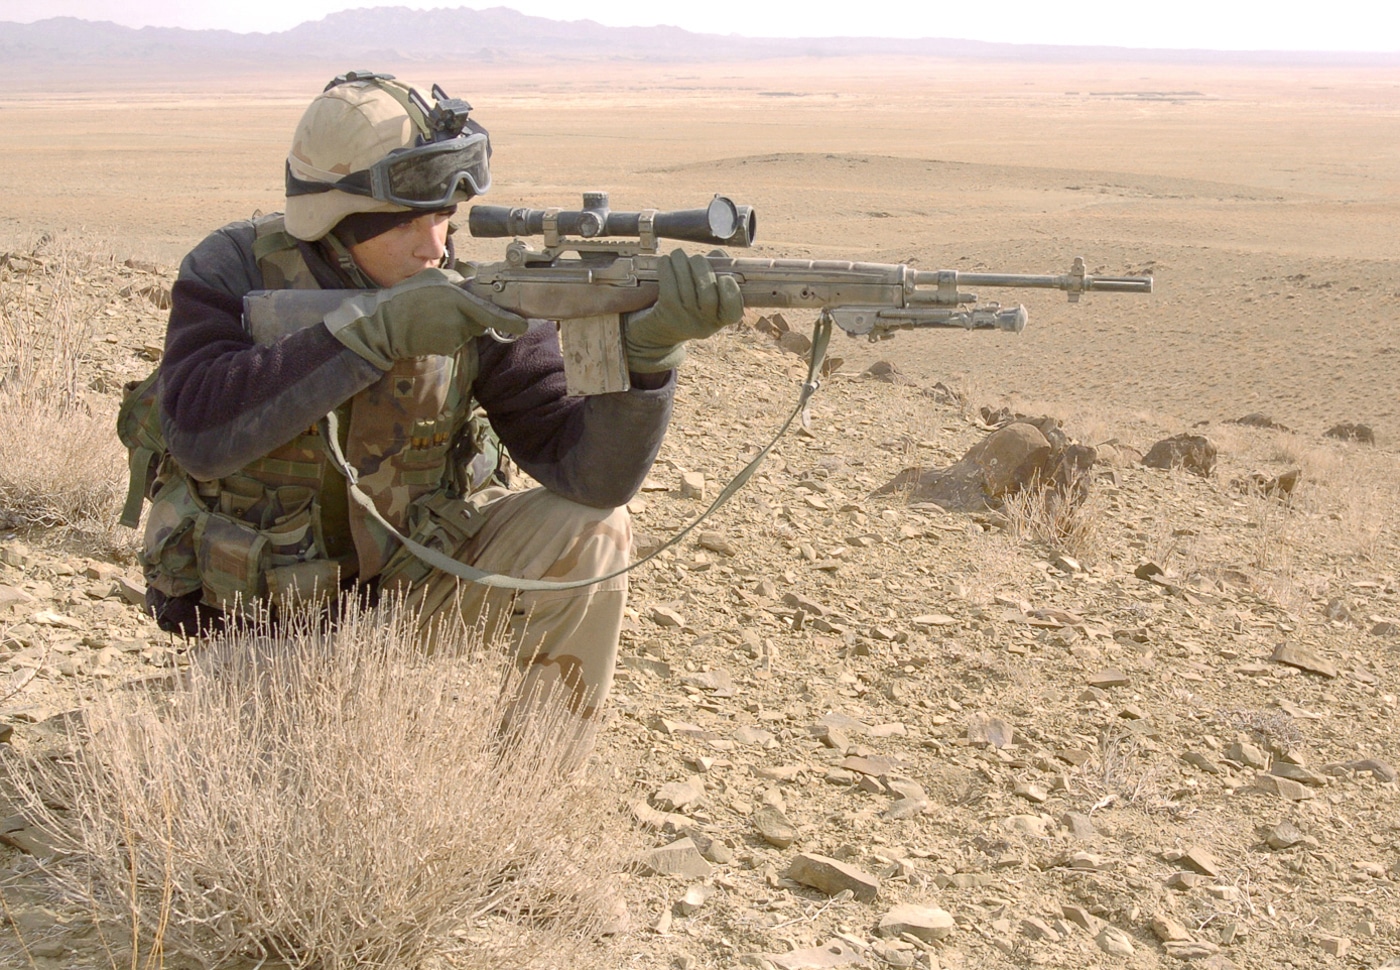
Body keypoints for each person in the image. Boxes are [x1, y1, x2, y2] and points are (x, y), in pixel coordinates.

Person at [138, 70, 741, 762]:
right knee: (278, 813)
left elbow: (587, 473)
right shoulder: (235, 270)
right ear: (342, 215)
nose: (438, 247)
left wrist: (647, 362)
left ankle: (527, 812)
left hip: (411, 592)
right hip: (266, 623)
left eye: (447, 221)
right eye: (416, 222)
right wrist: (369, 336)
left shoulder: (462, 291)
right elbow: (199, 432)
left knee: (594, 530)